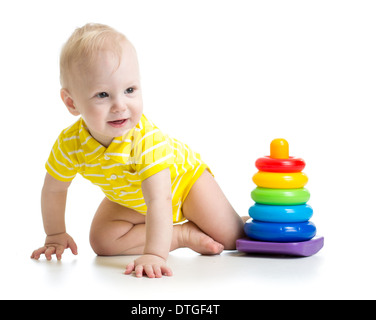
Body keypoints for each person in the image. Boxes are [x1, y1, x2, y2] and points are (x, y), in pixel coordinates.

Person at [31, 23, 245, 278]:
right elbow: (55, 188)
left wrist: (155, 254)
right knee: (102, 241)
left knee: (235, 238)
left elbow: (160, 199)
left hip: (185, 185)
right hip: (133, 197)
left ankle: (232, 221)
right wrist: (55, 233)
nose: (120, 105)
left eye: (130, 90)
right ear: (71, 102)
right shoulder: (70, 144)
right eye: (102, 94)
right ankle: (180, 235)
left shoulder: (145, 140)